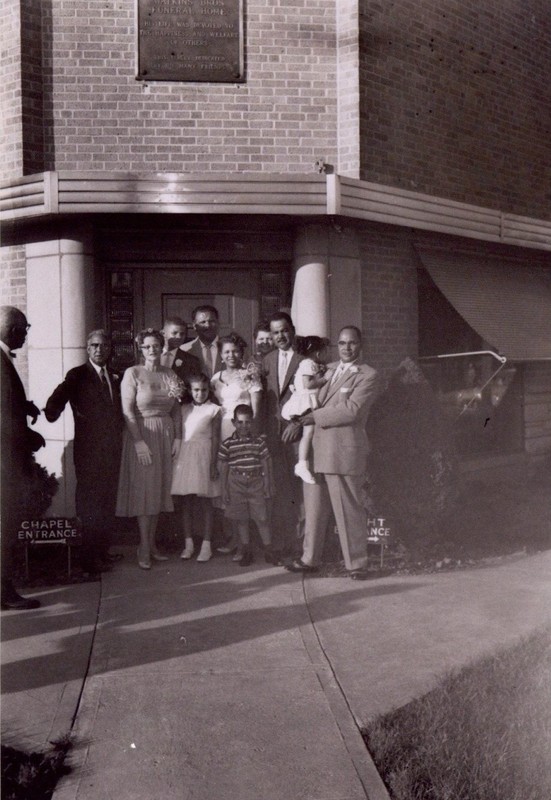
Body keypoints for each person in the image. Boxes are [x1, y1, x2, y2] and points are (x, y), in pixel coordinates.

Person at [284, 326, 379, 580]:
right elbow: (309, 394)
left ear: (361, 345)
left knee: (348, 508)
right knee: (313, 508)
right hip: (315, 448)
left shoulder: (368, 375)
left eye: (352, 343)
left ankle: (357, 564)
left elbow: (351, 410)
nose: (346, 348)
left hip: (342, 450)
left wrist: (309, 418)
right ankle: (309, 559)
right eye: (342, 343)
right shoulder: (328, 368)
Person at [44, 330, 124, 575]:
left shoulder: (115, 375)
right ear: (88, 349)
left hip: (112, 451)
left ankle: (102, 551)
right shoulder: (78, 374)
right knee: (89, 504)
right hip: (89, 452)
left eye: (104, 345)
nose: (99, 349)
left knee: (107, 501)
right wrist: (52, 411)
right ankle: (88, 559)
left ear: (110, 349)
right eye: (94, 345)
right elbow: (60, 394)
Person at [116, 329, 182, 569]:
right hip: (142, 434)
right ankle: (143, 546)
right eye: (147, 347)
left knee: (158, 491)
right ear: (140, 349)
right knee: (145, 492)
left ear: (162, 347)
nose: (152, 350)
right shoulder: (133, 373)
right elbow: (127, 411)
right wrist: (138, 442)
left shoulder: (170, 374)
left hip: (165, 435)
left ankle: (152, 544)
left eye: (156, 346)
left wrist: (177, 438)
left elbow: (175, 409)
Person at [0, 306, 45, 610]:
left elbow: (8, 404)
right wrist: (32, 437)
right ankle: (4, 593)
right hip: (4, 462)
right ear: (13, 329)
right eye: (24, 330)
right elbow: (4, 417)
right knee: (5, 525)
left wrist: (25, 406)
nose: (26, 336)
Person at [261, 312, 304, 559]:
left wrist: (297, 422)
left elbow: (312, 399)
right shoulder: (265, 361)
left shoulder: (304, 361)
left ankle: (299, 545)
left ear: (292, 331)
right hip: (272, 434)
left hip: (294, 434)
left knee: (297, 490)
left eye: (284, 330)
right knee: (277, 491)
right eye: (276, 332)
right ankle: (279, 544)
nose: (281, 336)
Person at [171, 374, 222, 562]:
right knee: (186, 501)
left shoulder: (214, 410)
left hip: (204, 456)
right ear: (190, 391)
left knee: (206, 502)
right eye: (196, 390)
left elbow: (216, 437)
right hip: (185, 456)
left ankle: (207, 545)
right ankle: (189, 543)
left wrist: (213, 463)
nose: (200, 394)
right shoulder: (183, 409)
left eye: (204, 390)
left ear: (209, 390)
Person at [218, 405, 275, 567]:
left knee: (262, 518)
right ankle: (246, 551)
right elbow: (224, 467)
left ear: (252, 423)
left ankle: (269, 550)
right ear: (234, 422)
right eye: (240, 422)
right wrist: (224, 489)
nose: (244, 426)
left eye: (248, 423)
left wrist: (267, 483)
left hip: (256, 482)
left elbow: (266, 461)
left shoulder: (258, 442)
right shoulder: (227, 444)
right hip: (236, 483)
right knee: (242, 519)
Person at [281, 335, 330, 485]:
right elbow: (308, 384)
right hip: (306, 402)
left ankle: (302, 463)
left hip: (308, 400)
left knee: (309, 433)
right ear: (318, 353)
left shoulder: (309, 363)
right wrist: (325, 379)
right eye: (325, 351)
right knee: (308, 433)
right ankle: (302, 464)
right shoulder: (308, 363)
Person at [211, 332, 262, 441]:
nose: (231, 355)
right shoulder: (215, 378)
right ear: (221, 354)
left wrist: (253, 429)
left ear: (241, 353)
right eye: (227, 352)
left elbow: (256, 411)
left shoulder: (250, 375)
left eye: (235, 351)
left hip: (243, 426)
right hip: (221, 426)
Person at [181, 305, 222, 378]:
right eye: (203, 322)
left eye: (212, 321)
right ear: (194, 326)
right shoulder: (184, 350)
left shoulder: (231, 348)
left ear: (218, 323)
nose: (208, 325)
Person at [160, 316, 201, 384]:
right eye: (174, 333)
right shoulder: (151, 355)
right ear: (163, 333)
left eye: (182, 334)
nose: (179, 337)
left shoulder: (191, 361)